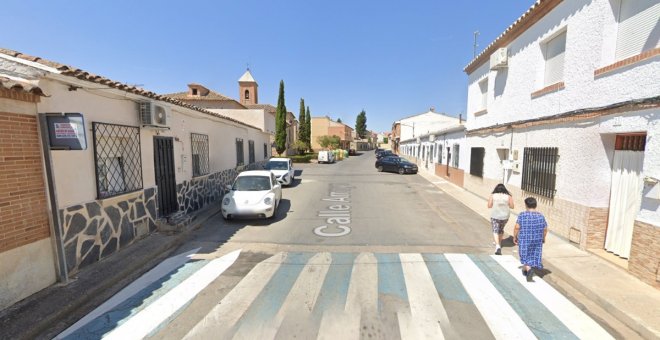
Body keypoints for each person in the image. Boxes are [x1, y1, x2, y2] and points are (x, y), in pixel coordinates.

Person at [513, 197, 548, 282]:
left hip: (525, 239)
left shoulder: (522, 215)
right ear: (535, 205)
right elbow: (545, 229)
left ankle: (528, 269)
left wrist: (515, 236)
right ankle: (527, 270)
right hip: (537, 239)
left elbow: (517, 227)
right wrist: (543, 238)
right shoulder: (541, 216)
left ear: (526, 205)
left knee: (524, 254)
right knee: (533, 254)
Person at [487, 184, 514, 255]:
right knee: (501, 229)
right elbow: (512, 206)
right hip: (505, 216)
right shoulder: (509, 196)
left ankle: (497, 246)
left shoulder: (493, 195)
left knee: (495, 230)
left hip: (495, 215)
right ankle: (499, 243)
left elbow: (489, 206)